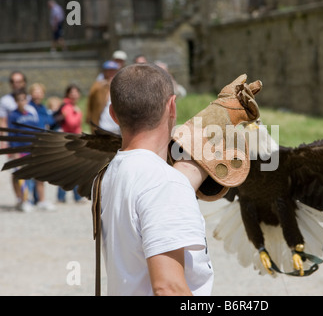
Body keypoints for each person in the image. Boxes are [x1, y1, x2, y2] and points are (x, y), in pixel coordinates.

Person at [99, 63, 261, 295]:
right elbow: (168, 288)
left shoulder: (112, 171)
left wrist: (210, 125)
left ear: (113, 113)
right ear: (172, 106)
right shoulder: (163, 184)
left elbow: (156, 197)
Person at [8, 88, 39, 212]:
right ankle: (23, 200)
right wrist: (14, 151)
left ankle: (27, 198)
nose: (22, 102)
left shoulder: (31, 115)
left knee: (30, 175)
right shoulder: (13, 116)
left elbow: (35, 133)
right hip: (19, 150)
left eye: (24, 99)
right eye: (20, 100)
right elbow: (11, 134)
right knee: (20, 176)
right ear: (16, 101)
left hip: (30, 149)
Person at [28, 83, 56, 211]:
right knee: (28, 173)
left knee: (40, 173)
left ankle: (40, 199)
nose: (37, 94)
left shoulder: (43, 108)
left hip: (41, 143)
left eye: (40, 92)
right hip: (29, 143)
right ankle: (27, 199)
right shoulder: (28, 108)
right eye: (35, 91)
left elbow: (50, 122)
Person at [57, 85, 83, 203]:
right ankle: (66, 196)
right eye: (72, 92)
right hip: (68, 142)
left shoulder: (72, 106)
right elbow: (71, 124)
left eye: (76, 92)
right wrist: (76, 113)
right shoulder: (68, 107)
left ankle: (70, 196)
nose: (74, 94)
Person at [0, 71, 35, 148]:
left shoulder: (31, 98)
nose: (15, 84)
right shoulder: (5, 100)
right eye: (13, 81)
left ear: (24, 83)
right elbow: (3, 122)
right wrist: (4, 141)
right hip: (16, 142)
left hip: (32, 142)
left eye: (19, 81)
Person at [87, 60, 119, 133]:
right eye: (109, 71)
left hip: (117, 126)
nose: (111, 73)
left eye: (113, 71)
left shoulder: (120, 85)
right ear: (104, 71)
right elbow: (90, 103)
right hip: (103, 125)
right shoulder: (97, 85)